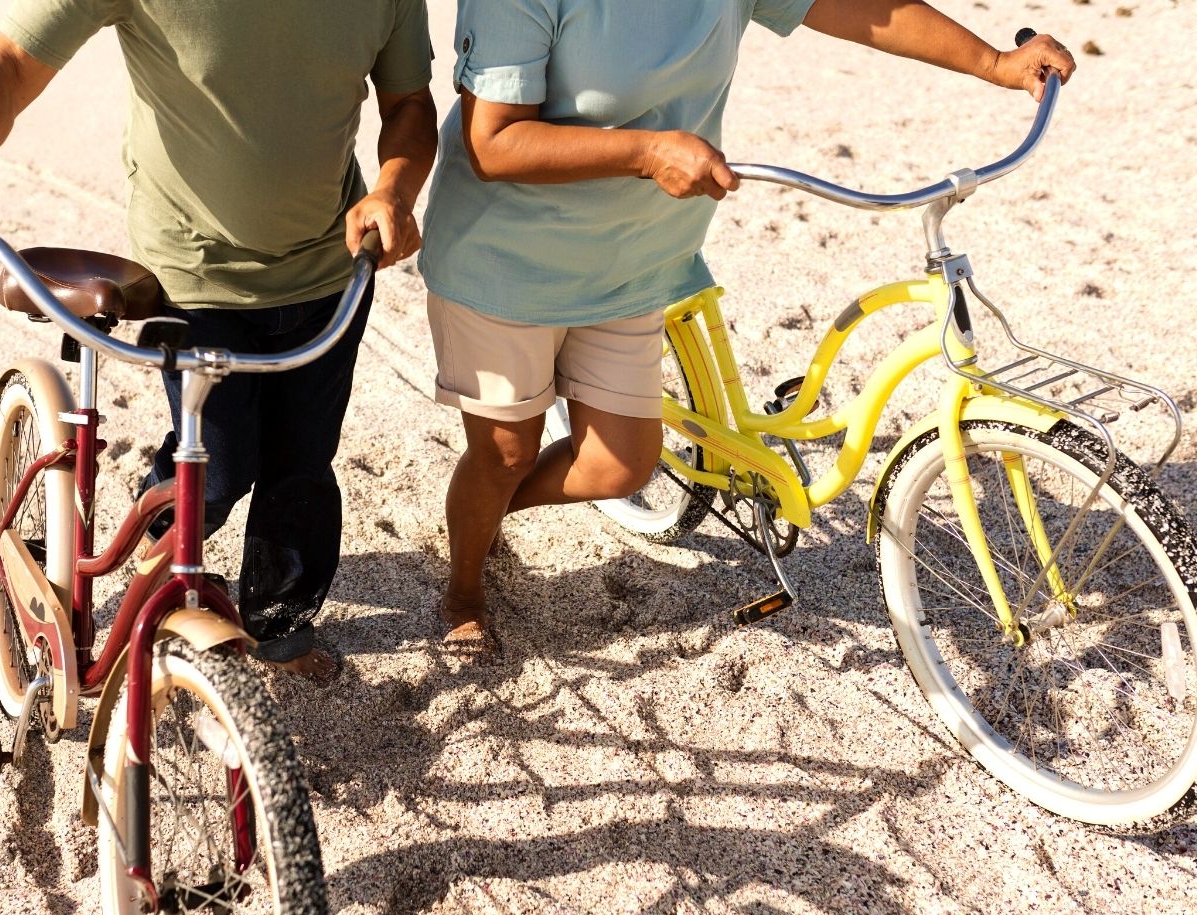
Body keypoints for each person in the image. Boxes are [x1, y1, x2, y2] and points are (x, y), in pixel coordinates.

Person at [418, 0, 1075, 652]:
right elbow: (494, 141)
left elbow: (852, 7)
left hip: (633, 257)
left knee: (618, 468)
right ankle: (465, 586)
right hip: (506, 263)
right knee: (505, 452)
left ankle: (479, 510)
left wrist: (995, 62)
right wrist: (648, 151)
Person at [0, 0, 438, 682]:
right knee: (219, 467)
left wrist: (394, 189)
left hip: (331, 268)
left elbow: (409, 101)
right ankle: (152, 533)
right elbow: (8, 65)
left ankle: (282, 627)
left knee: (303, 465)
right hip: (194, 273)